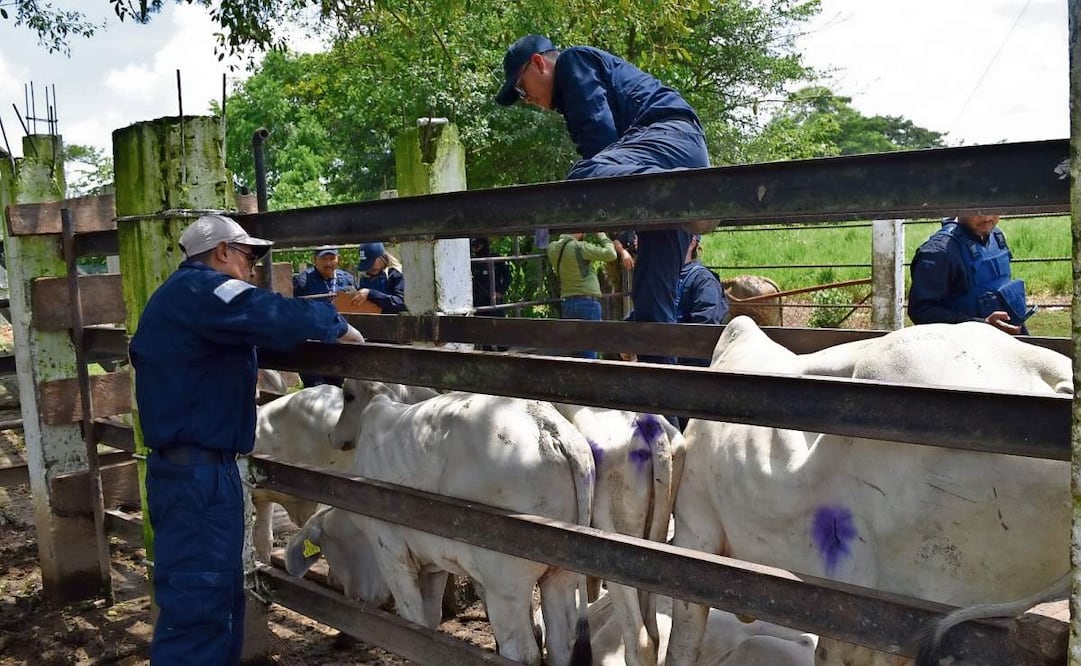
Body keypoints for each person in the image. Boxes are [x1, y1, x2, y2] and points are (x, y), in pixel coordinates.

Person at [128, 214, 364, 665]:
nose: (253, 269)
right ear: (221, 253)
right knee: (200, 604)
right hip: (198, 475)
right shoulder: (205, 290)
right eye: (249, 257)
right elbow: (272, 312)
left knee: (216, 599)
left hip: (192, 469)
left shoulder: (179, 300)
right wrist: (334, 322)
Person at [495, 34, 710, 363]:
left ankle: (681, 195)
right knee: (653, 305)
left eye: (522, 89)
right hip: (671, 157)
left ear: (538, 63)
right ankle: (666, 407)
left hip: (667, 139)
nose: (527, 100)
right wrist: (628, 231)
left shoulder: (572, 63)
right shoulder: (582, 77)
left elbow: (600, 140)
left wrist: (618, 225)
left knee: (579, 182)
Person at [908, 215, 1033, 335]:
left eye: (993, 208)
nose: (987, 218)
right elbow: (921, 310)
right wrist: (981, 324)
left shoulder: (996, 236)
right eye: (978, 211)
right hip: (962, 349)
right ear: (960, 206)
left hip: (1005, 341)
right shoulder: (939, 252)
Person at [548, 231, 616, 358]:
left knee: (574, 349)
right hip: (588, 303)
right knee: (589, 349)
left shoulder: (552, 248)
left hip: (568, 303)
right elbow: (611, 254)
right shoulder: (580, 247)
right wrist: (601, 235)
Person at [675, 234, 729, 366]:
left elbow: (705, 328)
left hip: (691, 367)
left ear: (692, 243)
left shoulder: (704, 281)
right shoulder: (665, 278)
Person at [354, 241, 406, 314]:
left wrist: (371, 294)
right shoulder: (364, 278)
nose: (368, 268)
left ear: (380, 257)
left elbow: (401, 303)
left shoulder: (395, 274)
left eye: (370, 262)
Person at [470, 237, 513, 317]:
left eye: (477, 246)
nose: (474, 249)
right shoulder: (472, 261)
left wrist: (500, 292)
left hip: (493, 300)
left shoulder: (495, 258)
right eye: (473, 246)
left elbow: (508, 276)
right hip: (478, 300)